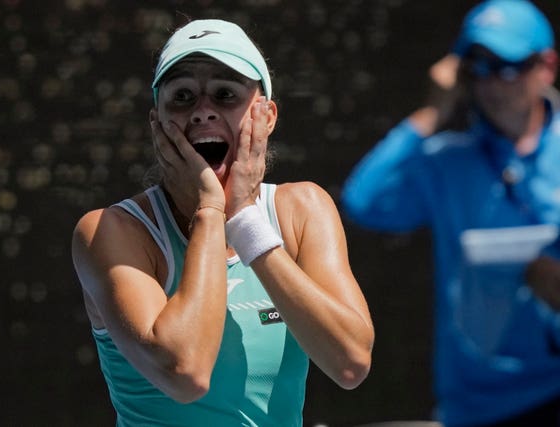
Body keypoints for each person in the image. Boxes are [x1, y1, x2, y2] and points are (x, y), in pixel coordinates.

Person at [72, 18, 374, 426]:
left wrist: (247, 220)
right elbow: (186, 374)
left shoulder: (303, 207)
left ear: (265, 116)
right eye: (181, 97)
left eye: (225, 94)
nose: (202, 112)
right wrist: (212, 211)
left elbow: (351, 363)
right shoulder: (111, 231)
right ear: (157, 124)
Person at [341, 1, 560, 426]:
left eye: (509, 66)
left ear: (546, 66)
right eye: (479, 66)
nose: (494, 83)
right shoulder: (446, 161)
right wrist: (432, 112)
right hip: (473, 405)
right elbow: (363, 202)